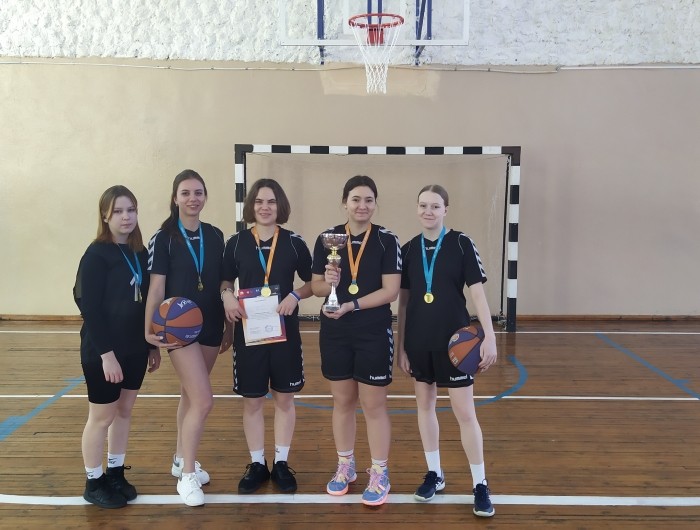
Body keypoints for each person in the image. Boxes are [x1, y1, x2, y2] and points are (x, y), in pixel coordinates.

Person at [396, 184, 497, 517]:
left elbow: (478, 295)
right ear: (417, 209)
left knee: (465, 413)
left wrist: (490, 337)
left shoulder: (461, 243)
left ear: (445, 210)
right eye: (423, 205)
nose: (428, 211)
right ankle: (435, 473)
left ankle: (480, 484)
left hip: (456, 344)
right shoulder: (408, 250)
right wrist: (401, 347)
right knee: (425, 407)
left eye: (435, 206)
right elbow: (404, 303)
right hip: (419, 342)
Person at [311, 175, 401, 507]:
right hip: (335, 331)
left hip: (373, 331)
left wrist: (352, 305)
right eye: (355, 199)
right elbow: (317, 287)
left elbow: (390, 291)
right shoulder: (327, 239)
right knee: (342, 402)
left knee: (374, 405)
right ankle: (345, 465)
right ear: (344, 203)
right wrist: (329, 282)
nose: (362, 206)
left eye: (368, 200)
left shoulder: (387, 240)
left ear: (375, 204)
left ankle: (379, 471)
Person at [220, 179, 313, 494]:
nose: (265, 207)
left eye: (271, 201)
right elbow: (224, 280)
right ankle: (257, 463)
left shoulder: (294, 243)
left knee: (285, 399)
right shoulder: (236, 243)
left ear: (280, 206)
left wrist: (296, 296)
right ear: (251, 205)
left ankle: (281, 463)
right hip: (250, 333)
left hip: (285, 333)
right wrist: (227, 296)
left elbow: (313, 282)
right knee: (253, 401)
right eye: (259, 201)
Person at [75, 185, 160, 509]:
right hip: (104, 352)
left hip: (135, 348)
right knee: (102, 417)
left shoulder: (140, 252)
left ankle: (115, 472)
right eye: (119, 211)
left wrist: (151, 345)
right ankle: (93, 481)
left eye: (131, 210)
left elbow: (147, 303)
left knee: (124, 412)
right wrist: (106, 355)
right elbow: (89, 308)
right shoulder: (96, 254)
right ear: (105, 215)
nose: (126, 217)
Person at [144, 169, 226, 506]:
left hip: (212, 325)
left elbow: (223, 283)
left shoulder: (215, 235)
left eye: (198, 192)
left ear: (205, 196)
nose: (193, 199)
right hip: (178, 330)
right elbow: (156, 289)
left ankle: (180, 459)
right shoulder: (163, 238)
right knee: (203, 401)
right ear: (175, 198)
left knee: (190, 396)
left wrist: (230, 326)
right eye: (186, 193)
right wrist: (149, 332)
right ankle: (188, 476)